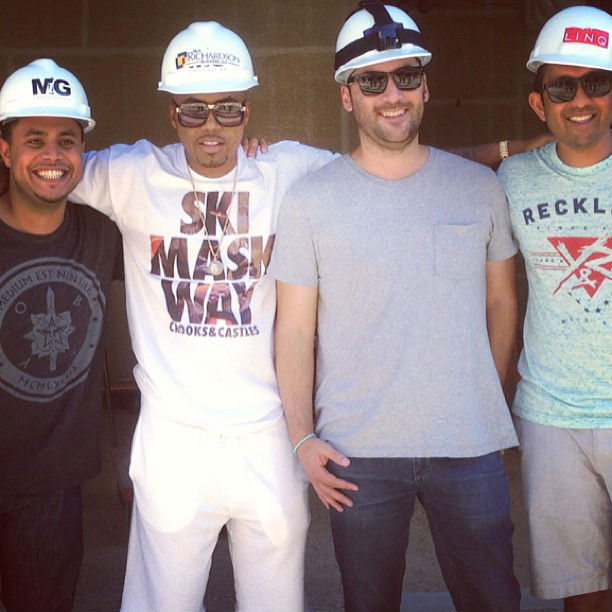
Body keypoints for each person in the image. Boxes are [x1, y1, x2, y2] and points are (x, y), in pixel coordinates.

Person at [65, 21, 338, 612]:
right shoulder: (133, 174)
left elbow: (387, 167)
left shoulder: (285, 170)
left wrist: (506, 152)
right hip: (174, 439)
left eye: (227, 109)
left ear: (247, 111)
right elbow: (42, 166)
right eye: (194, 110)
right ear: (172, 114)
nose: (211, 125)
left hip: (268, 435)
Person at [269, 2, 522, 611]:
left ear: (425, 86)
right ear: (346, 95)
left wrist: (482, 398)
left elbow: (502, 302)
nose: (392, 94)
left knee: (493, 600)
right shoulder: (309, 201)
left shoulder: (479, 187)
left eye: (406, 76)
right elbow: (294, 330)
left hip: (469, 443)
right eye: (372, 81)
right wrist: (302, 439)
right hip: (357, 450)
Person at [497, 6, 612, 612]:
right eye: (562, 88)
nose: (581, 100)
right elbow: (414, 163)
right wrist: (510, 145)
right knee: (581, 592)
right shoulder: (514, 177)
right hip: (550, 416)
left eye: (597, 82)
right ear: (539, 103)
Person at [0, 59, 123, 612]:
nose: (52, 155)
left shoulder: (102, 234)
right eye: (34, 140)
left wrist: (248, 159)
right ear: (6, 151)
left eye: (66, 141)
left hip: (50, 487)